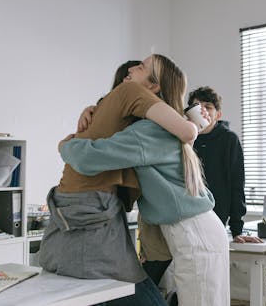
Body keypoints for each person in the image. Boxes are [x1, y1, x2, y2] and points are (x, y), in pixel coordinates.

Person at [58, 63, 230, 306]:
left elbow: (87, 158)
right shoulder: (159, 127)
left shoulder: (149, 131)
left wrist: (66, 144)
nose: (131, 71)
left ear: (153, 86)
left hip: (195, 233)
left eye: (140, 67)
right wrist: (97, 109)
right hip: (195, 231)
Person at [188, 86, 261, 243]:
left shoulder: (229, 140)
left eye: (208, 107)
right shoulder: (183, 140)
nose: (202, 112)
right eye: (197, 107)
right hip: (188, 220)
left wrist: (237, 230)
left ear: (218, 114)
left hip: (217, 220)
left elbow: (237, 184)